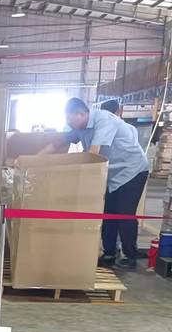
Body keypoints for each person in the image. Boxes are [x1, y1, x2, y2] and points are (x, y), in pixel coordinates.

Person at [63, 97, 149, 268]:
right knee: (108, 213)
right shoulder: (79, 126)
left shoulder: (104, 120)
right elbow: (60, 142)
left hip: (132, 170)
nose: (69, 124)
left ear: (80, 114)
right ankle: (109, 253)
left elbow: (94, 154)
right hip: (112, 175)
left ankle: (130, 256)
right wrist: (38, 159)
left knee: (124, 213)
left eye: (70, 120)